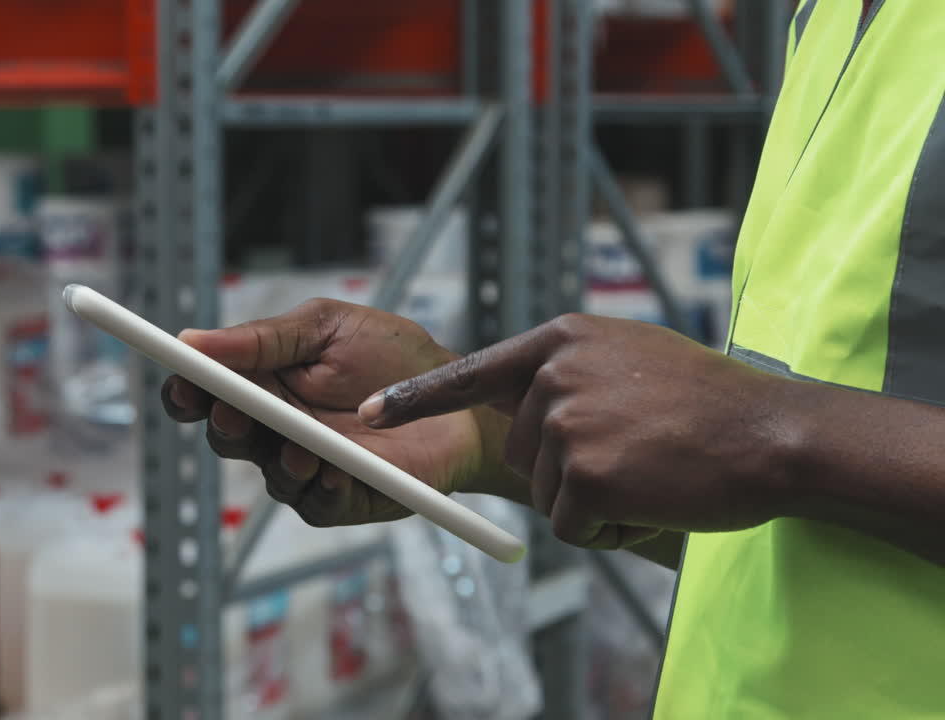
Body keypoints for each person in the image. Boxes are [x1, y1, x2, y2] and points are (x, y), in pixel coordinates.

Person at [163, 2, 944, 717]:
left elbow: (780, 453)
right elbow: (806, 545)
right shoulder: (835, 17)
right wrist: (482, 432)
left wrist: (776, 433)